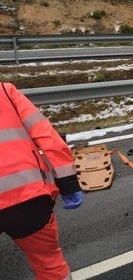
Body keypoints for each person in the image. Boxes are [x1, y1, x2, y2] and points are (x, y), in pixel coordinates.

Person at [1, 81, 83, 280]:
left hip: (26, 196)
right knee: (49, 265)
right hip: (26, 197)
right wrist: (68, 182)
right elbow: (45, 134)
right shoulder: (5, 91)